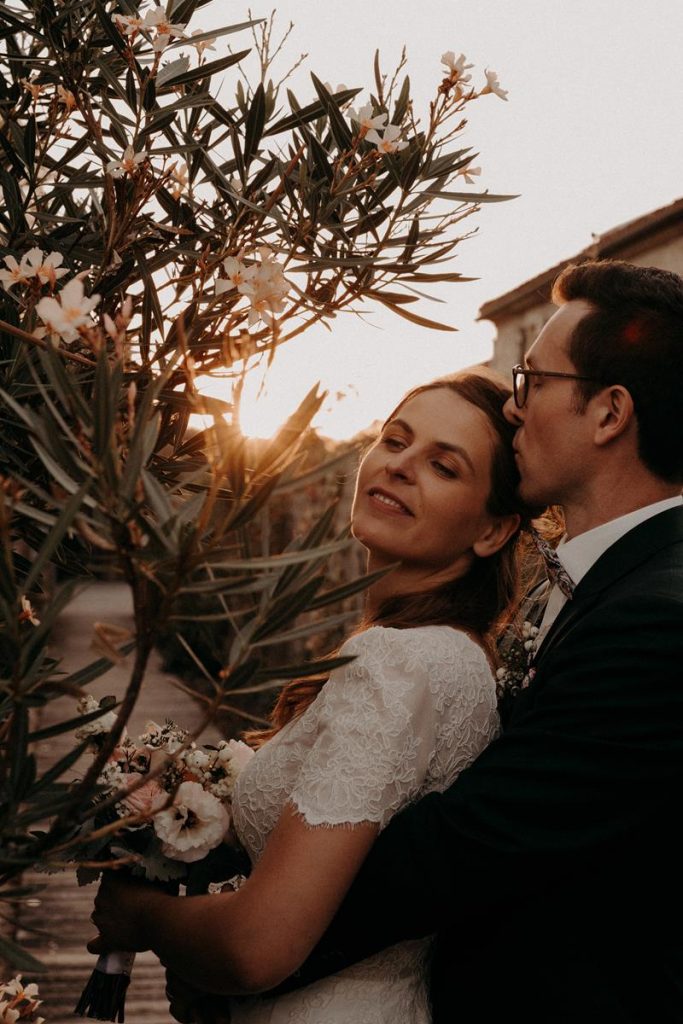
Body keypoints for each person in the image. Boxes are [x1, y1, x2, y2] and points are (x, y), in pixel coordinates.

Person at [274, 258, 683, 1023]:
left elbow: (459, 853)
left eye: (531, 379)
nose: (514, 408)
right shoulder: (591, 585)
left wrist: (236, 939)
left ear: (608, 413)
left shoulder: (656, 618)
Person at [88, 371, 537, 1023]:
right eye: (394, 440)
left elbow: (255, 949)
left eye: (443, 466)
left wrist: (145, 916)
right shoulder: (456, 654)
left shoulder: (397, 661)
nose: (401, 465)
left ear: (492, 531)